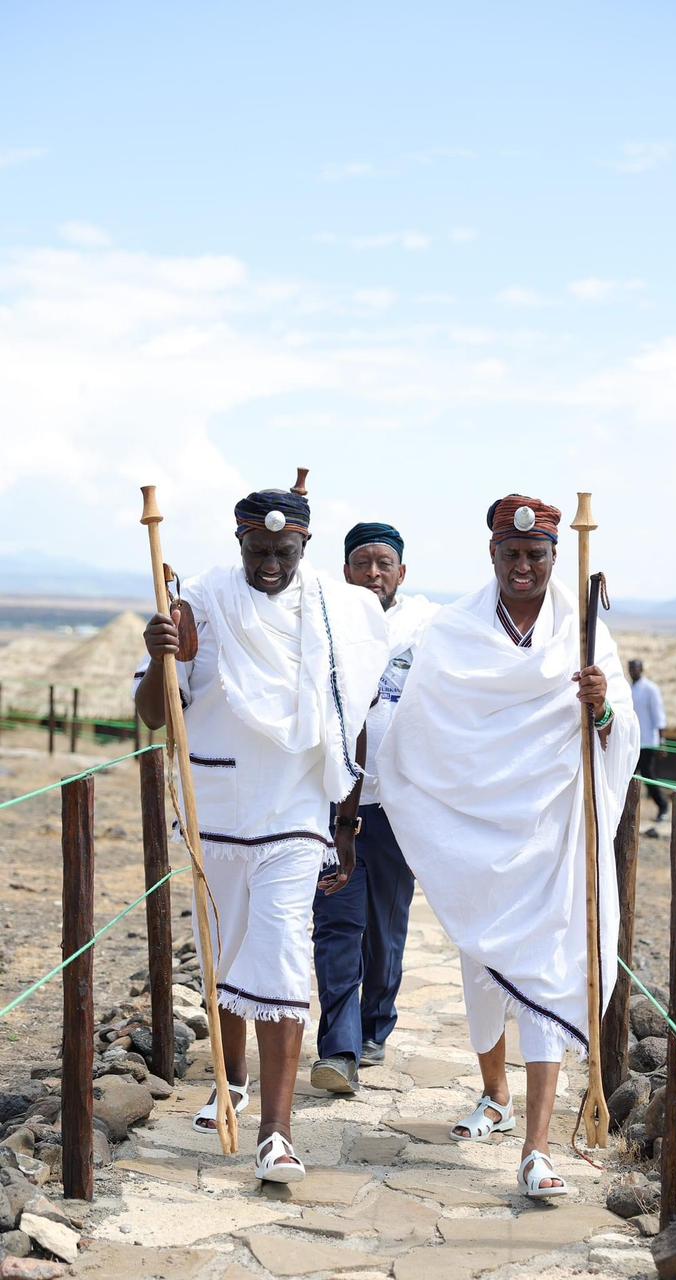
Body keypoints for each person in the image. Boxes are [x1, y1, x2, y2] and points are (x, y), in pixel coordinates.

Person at [377, 494, 639, 1199]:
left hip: (553, 835)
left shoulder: (584, 636)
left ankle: (537, 1148)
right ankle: (494, 1091)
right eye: (511, 554)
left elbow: (624, 733)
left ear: (555, 558)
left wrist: (603, 707)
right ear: (491, 555)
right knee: (484, 972)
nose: (523, 566)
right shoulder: (456, 631)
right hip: (477, 837)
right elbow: (421, 727)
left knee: (552, 973)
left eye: (537, 555)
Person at [133, 476, 387, 1183]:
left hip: (293, 815)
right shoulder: (200, 606)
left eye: (283, 550)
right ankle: (231, 1082)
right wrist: (162, 656)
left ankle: (277, 1134)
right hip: (217, 814)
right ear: (239, 540)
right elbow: (156, 715)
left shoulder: (337, 613)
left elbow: (352, 714)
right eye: (258, 549)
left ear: (303, 543)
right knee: (227, 957)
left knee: (279, 954)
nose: (270, 563)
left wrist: (345, 821)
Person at [310, 522, 438, 1093]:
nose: (373, 573)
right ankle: (337, 1049)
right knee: (337, 923)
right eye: (362, 562)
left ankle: (374, 1024)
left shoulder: (425, 632)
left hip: (396, 805)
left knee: (385, 928)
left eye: (384, 563)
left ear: (401, 573)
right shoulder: (324, 625)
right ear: (346, 572)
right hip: (332, 800)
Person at [628, 659, 669, 821]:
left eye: (635, 668)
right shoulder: (628, 689)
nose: (632, 670)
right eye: (630, 668)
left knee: (648, 776)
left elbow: (659, 715)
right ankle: (628, 812)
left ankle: (663, 806)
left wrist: (662, 741)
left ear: (641, 669)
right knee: (628, 776)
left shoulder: (651, 689)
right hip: (632, 742)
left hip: (648, 742)